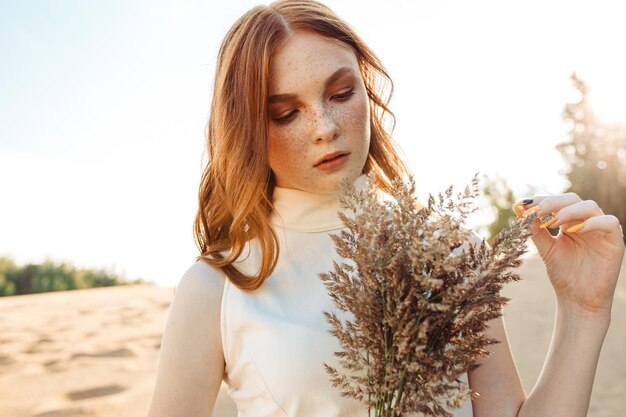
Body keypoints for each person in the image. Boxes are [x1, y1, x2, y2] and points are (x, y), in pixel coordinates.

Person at [146, 1, 626, 416]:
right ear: (247, 127)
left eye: (341, 93)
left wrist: (583, 311)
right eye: (286, 113)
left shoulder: (453, 255)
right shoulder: (217, 288)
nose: (325, 126)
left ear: (366, 89)